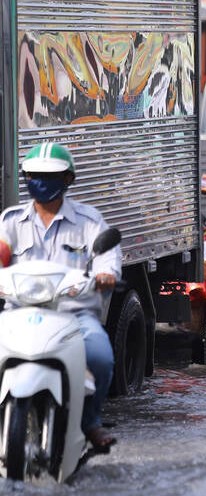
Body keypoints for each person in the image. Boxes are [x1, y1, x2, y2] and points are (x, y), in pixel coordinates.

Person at [0, 142, 121, 449]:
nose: (40, 181)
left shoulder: (90, 222)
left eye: (50, 175)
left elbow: (108, 261)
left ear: (68, 179)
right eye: (34, 175)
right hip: (18, 313)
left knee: (101, 358)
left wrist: (105, 275)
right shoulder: (10, 221)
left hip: (73, 315)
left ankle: (90, 422)